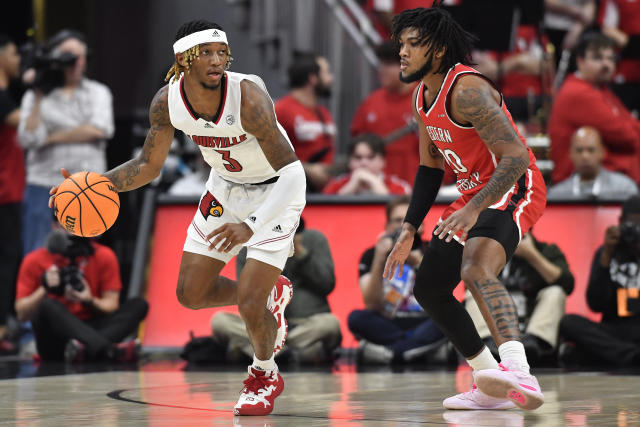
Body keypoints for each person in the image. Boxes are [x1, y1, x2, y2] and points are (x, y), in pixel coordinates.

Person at [49, 20, 305, 416]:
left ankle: (263, 373)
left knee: (250, 302)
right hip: (224, 187)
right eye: (206, 53)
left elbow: (292, 172)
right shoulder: (166, 102)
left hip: (276, 190)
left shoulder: (248, 98)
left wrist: (250, 226)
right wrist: (91, 186)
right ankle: (270, 293)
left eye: (222, 52)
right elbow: (148, 166)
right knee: (191, 294)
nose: (217, 61)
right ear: (183, 60)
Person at [384, 4, 547, 411]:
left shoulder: (468, 90)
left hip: (513, 185)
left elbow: (515, 159)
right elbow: (428, 167)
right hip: (475, 194)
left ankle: (518, 369)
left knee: (475, 267)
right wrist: (408, 228)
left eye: (412, 44)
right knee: (429, 287)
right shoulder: (422, 96)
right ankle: (488, 382)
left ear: (437, 50)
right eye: (400, 44)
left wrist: (473, 210)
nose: (402, 52)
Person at [18, 29, 115, 255]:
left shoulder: (98, 92)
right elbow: (29, 138)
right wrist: (40, 93)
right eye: (68, 56)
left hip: (87, 187)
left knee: (87, 257)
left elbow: (100, 129)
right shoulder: (35, 96)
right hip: (44, 185)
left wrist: (50, 137)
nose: (76, 63)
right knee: (38, 255)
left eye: (81, 57)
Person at [212, 217, 341, 364]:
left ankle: (262, 352)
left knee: (331, 324)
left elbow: (327, 284)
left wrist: (301, 254)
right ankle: (294, 355)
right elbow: (246, 296)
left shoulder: (315, 239)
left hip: (304, 324)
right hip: (264, 325)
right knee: (220, 321)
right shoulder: (249, 245)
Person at [14, 224, 148, 362]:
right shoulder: (34, 260)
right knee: (46, 306)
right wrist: (45, 288)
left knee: (138, 304)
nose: (72, 232)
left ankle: (89, 350)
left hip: (92, 325)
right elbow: (22, 314)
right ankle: (108, 350)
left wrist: (90, 300)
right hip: (57, 337)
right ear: (55, 225)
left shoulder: (104, 255)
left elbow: (111, 305)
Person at [349, 196, 445, 364]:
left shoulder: (434, 249)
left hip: (425, 321)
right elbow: (372, 305)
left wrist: (419, 265)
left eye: (410, 220)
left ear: (421, 226)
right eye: (398, 220)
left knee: (453, 315)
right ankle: (418, 349)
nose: (404, 226)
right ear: (387, 227)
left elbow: (442, 298)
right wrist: (380, 259)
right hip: (388, 323)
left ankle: (394, 353)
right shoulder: (371, 254)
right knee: (356, 318)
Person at [465, 232, 574, 365]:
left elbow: (567, 284)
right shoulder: (488, 251)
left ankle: (535, 343)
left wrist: (531, 254)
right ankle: (487, 344)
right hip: (495, 327)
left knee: (555, 292)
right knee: (474, 291)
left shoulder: (546, 250)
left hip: (532, 324)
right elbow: (471, 280)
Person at [548, 32, 640, 185]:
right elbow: (628, 137)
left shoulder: (599, 88)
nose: (606, 64)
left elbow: (632, 126)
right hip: (578, 183)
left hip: (605, 177)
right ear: (580, 61)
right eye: (597, 58)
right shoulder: (578, 93)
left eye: (610, 58)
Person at [559, 195, 640, 367]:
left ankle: (617, 355)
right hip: (614, 329)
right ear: (620, 222)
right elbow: (595, 304)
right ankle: (633, 357)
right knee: (569, 323)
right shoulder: (606, 252)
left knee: (580, 354)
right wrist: (607, 256)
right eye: (632, 226)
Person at [350, 41, 420, 184]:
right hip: (376, 190)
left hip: (418, 191)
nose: (381, 70)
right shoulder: (371, 102)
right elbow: (356, 149)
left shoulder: (428, 99)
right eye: (381, 64)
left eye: (388, 64)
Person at [274, 52, 336, 192]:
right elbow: (264, 153)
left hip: (322, 193)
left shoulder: (323, 112)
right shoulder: (281, 110)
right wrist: (307, 169)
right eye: (326, 73)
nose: (331, 79)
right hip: (290, 192)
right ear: (313, 79)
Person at [0, 34, 24, 355]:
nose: (19, 60)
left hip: (10, 187)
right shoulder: (3, 99)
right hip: (4, 189)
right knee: (6, 261)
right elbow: (25, 123)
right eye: (16, 53)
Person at [548, 126, 638, 198]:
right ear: (571, 154)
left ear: (602, 152)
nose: (585, 156)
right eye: (579, 150)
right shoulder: (557, 195)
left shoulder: (624, 189)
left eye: (591, 150)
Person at [322, 134, 411, 196]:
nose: (363, 163)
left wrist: (374, 182)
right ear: (349, 162)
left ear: (383, 161)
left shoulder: (400, 187)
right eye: (358, 157)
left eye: (371, 157)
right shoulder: (335, 185)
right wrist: (351, 186)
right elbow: (325, 213)